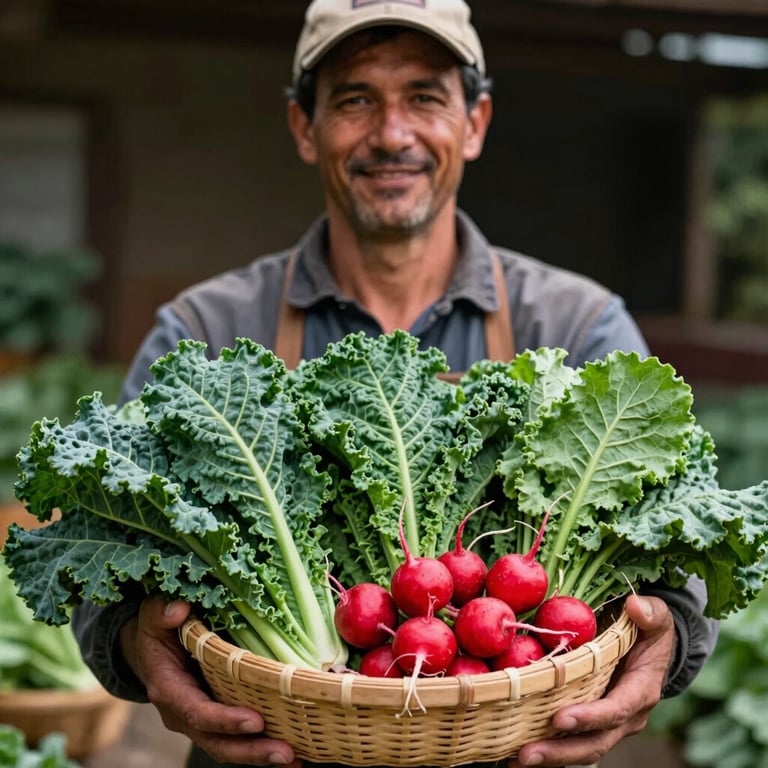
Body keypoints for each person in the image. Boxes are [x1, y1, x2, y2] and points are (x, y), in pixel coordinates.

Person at [72, 1, 719, 767]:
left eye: (425, 96)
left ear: (474, 123)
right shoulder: (205, 331)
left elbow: (678, 553)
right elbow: (96, 560)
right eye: (354, 99)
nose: (392, 134)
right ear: (304, 128)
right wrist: (133, 644)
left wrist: (666, 640)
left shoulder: (578, 325)